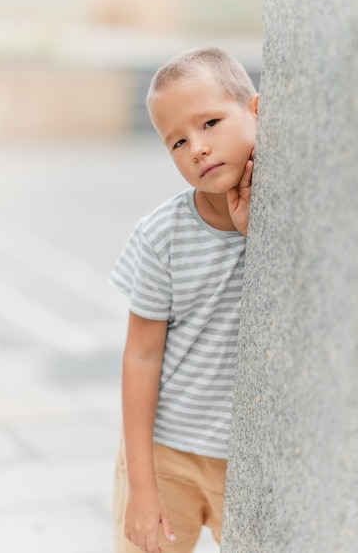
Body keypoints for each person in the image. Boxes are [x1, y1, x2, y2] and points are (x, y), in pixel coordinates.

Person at [110, 47, 259, 553]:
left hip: (250, 459)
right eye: (177, 141)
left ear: (256, 112)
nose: (196, 147)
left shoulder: (280, 217)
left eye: (211, 122)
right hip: (167, 452)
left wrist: (254, 235)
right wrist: (141, 484)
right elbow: (141, 354)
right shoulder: (161, 236)